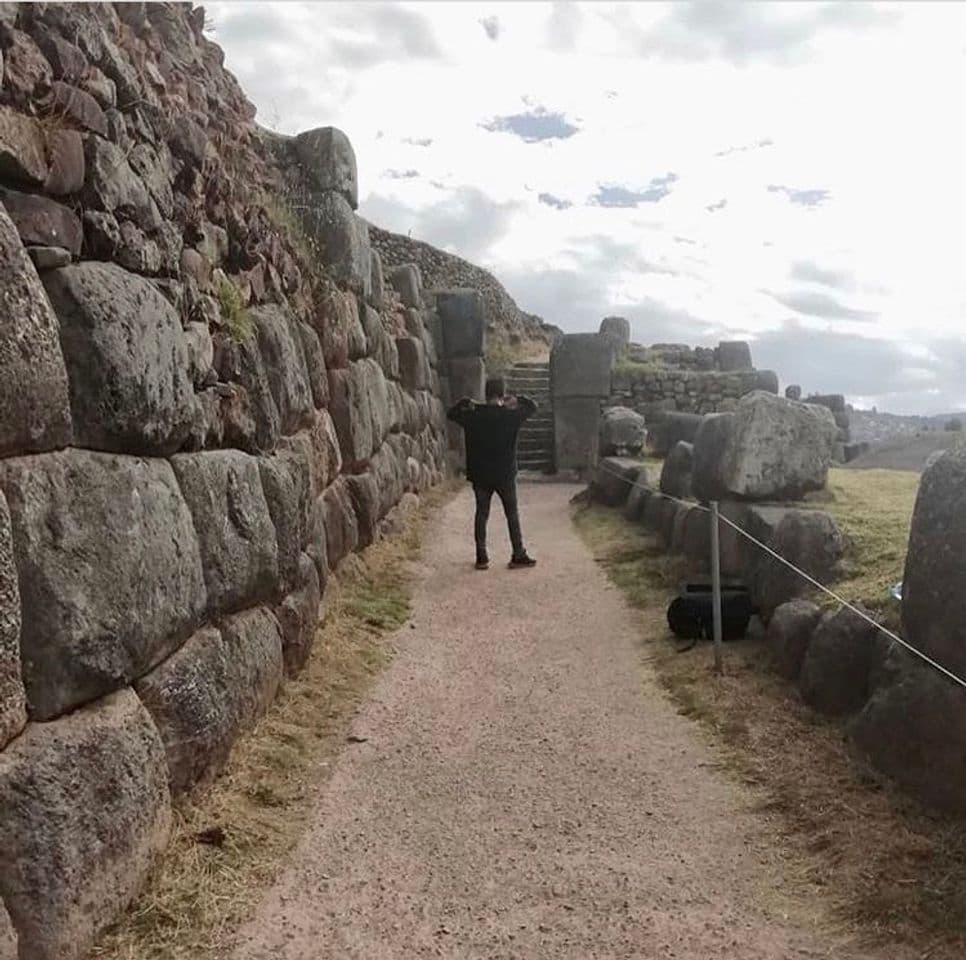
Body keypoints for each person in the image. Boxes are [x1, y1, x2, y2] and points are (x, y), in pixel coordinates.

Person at [447, 377, 538, 570]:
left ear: (485, 393)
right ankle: (518, 553)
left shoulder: (473, 415)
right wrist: (518, 399)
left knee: (482, 514)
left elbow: (451, 414)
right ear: (502, 394)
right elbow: (533, 407)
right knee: (512, 514)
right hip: (505, 473)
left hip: (481, 475)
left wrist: (465, 402)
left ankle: (482, 557)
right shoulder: (510, 415)